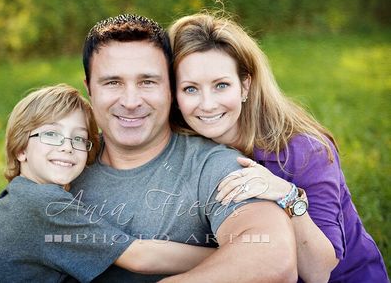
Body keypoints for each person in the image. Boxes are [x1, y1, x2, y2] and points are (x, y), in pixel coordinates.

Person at [69, 14, 297, 283]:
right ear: (89, 89)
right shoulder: (62, 163)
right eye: (112, 82)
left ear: (171, 88)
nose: (131, 101)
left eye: (147, 82)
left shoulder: (214, 167)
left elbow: (273, 258)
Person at [169, 13, 390, 283]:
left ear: (245, 86)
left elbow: (320, 272)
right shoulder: (181, 148)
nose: (207, 104)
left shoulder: (305, 151)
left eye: (221, 85)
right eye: (190, 89)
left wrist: (287, 196)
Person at [0, 84, 219, 283]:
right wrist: (228, 255)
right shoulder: (42, 204)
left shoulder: (13, 198)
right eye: (51, 135)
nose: (67, 146)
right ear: (21, 148)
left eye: (78, 138)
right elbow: (140, 257)